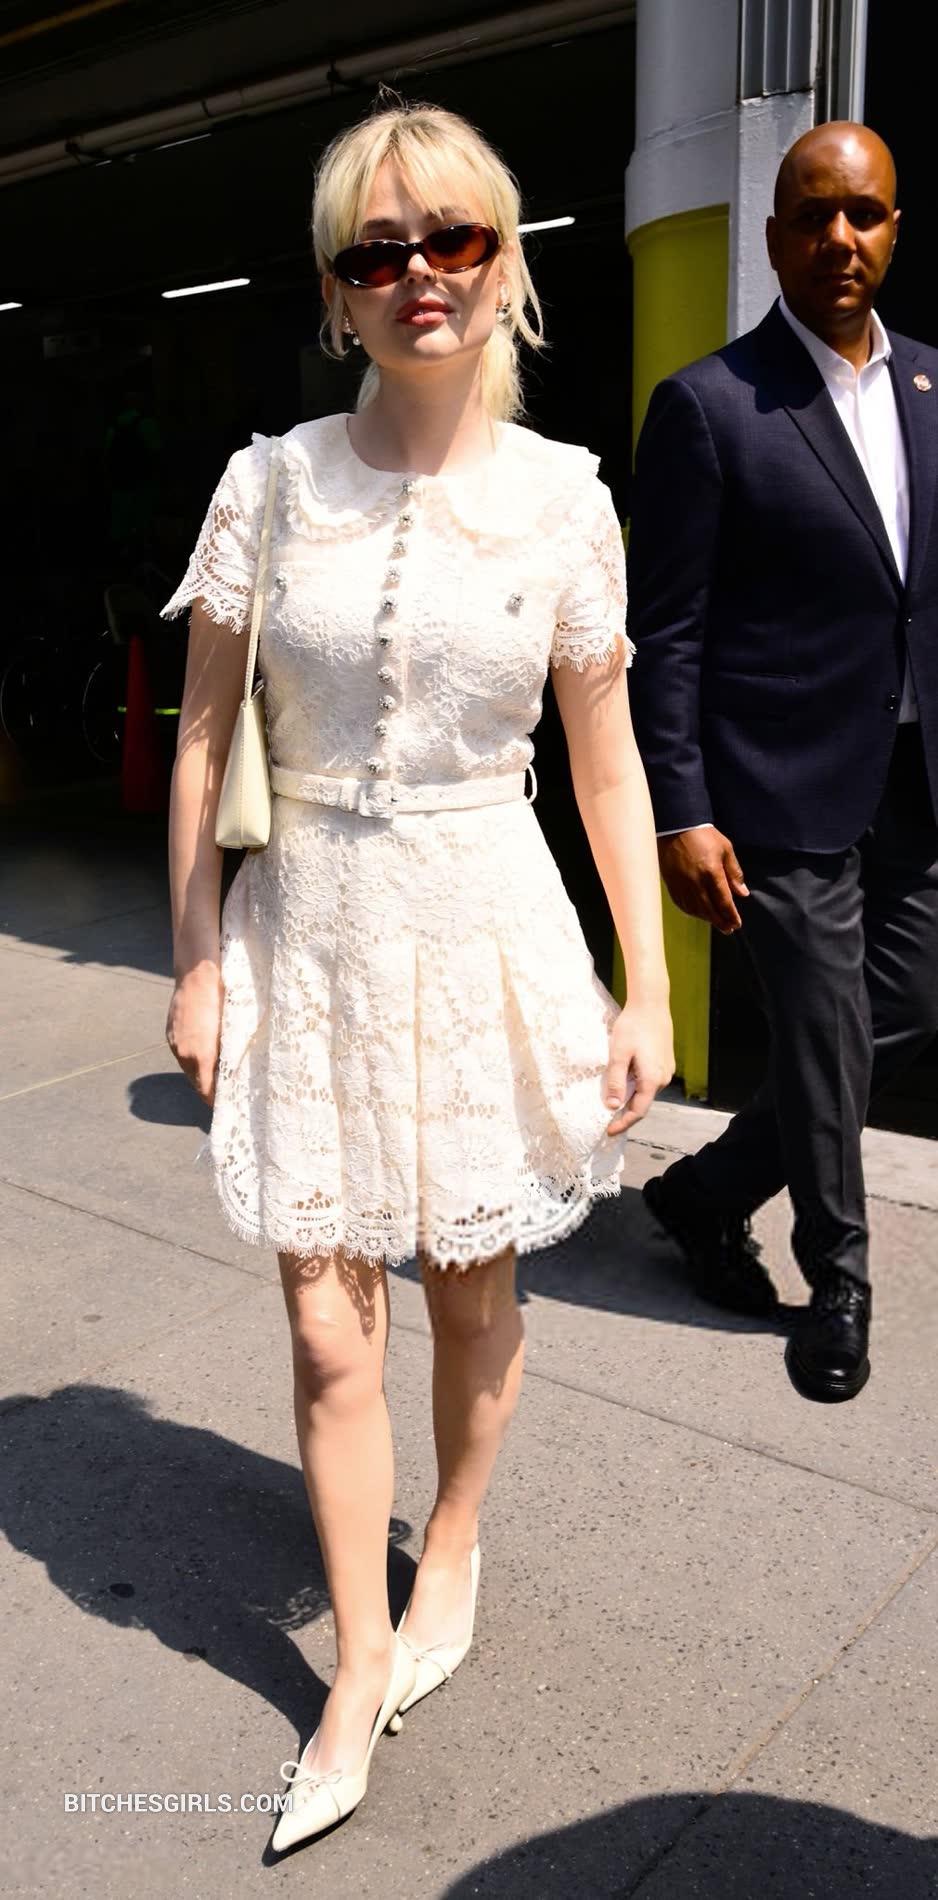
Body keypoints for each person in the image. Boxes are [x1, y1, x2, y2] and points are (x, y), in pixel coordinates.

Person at [161, 98, 673, 1851]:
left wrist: (645, 987)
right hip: (303, 930)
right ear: (335, 290)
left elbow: (605, 763)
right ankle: (357, 1662)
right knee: (326, 1322)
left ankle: (450, 1538)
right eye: (376, 251)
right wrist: (194, 958)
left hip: (481, 926)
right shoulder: (267, 485)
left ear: (505, 262)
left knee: (470, 1297)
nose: (417, 274)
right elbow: (202, 734)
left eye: (451, 238)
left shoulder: (564, 504)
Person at [627, 122, 938, 1405]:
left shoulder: (930, 385)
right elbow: (666, 631)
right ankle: (839, 1283)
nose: (837, 238)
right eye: (811, 216)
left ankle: (703, 1191)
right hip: (774, 784)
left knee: (901, 1009)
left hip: (910, 778)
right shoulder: (709, 405)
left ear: (893, 229)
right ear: (770, 238)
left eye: (860, 214)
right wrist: (680, 809)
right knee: (818, 1026)